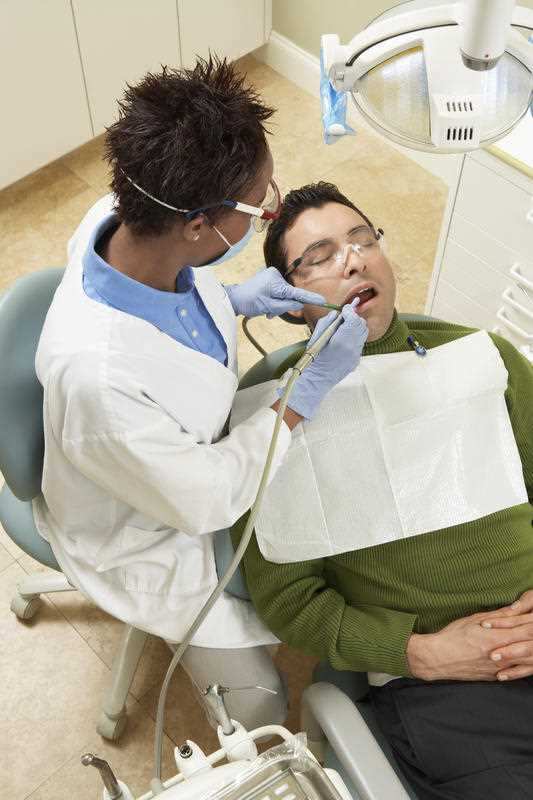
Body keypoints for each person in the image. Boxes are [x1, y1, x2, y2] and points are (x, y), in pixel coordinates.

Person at [33, 61, 366, 729]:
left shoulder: (119, 215)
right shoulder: (101, 381)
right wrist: (305, 394)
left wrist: (230, 296)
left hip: (182, 443)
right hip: (144, 532)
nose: (270, 210)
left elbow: (170, 291)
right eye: (259, 205)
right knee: (261, 703)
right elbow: (206, 499)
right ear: (195, 226)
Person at [231, 181, 533, 796]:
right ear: (289, 303)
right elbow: (289, 601)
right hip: (444, 689)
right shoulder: (272, 426)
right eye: (317, 257)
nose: (352, 259)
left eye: (361, 238)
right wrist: (420, 654)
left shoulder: (482, 359)